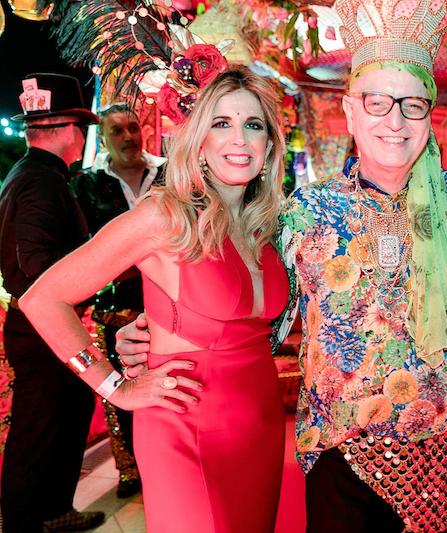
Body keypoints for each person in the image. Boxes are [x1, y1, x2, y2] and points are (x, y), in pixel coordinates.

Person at [116, 1, 447, 530]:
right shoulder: (306, 211)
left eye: (412, 105)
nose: (394, 121)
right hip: (339, 451)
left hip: (443, 448)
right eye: (377, 102)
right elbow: (244, 300)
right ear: (350, 111)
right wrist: (154, 331)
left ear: (429, 114)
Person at [19, 66, 290, 533]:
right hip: (184, 424)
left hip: (260, 425)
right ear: (198, 140)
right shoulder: (165, 215)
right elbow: (44, 299)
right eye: (221, 123)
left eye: (253, 124)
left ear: (269, 145)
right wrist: (114, 387)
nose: (239, 138)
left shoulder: (264, 226)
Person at [0, 73, 105, 533]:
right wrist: (96, 272)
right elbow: (33, 265)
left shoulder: (39, 176)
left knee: (68, 414)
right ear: (63, 128)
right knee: (38, 429)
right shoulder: (39, 181)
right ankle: (24, 523)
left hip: (47, 322)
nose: (83, 137)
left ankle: (54, 511)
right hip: (41, 325)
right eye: (81, 127)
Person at [70, 102, 167, 498]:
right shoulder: (88, 184)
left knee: (170, 384)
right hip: (117, 308)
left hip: (173, 301)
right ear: (105, 139)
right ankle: (131, 469)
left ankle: (168, 463)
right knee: (125, 390)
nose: (128, 137)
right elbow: (83, 248)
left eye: (132, 128)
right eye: (117, 131)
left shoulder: (168, 173)